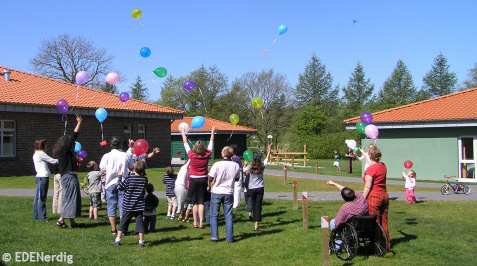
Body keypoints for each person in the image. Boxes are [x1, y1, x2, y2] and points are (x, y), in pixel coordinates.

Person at [179, 126, 216, 229]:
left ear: (195, 148)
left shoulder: (191, 155)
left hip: (194, 180)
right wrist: (212, 132)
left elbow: (185, 144)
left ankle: (195, 222)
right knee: (201, 201)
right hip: (203, 179)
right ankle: (201, 223)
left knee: (194, 202)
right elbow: (211, 143)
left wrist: (183, 133)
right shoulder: (207, 154)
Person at [52, 115, 83, 229]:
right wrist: (78, 123)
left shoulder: (63, 153)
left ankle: (73, 222)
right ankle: (61, 220)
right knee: (70, 198)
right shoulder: (65, 150)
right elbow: (74, 137)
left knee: (70, 198)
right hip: (69, 178)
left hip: (66, 177)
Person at [111, 161, 148, 247]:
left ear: (134, 168)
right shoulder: (144, 179)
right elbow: (143, 186)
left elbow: (120, 187)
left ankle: (118, 240)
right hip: (139, 205)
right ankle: (141, 242)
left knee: (123, 222)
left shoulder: (129, 178)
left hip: (128, 205)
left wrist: (120, 177)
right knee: (140, 223)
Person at [208, 146, 241, 242]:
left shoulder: (217, 164)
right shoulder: (235, 165)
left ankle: (214, 236)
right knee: (228, 215)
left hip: (217, 191)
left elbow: (210, 177)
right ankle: (229, 237)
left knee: (214, 215)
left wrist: (210, 185)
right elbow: (237, 178)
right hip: (228, 192)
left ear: (223, 153)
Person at [100, 136, 130, 235]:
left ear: (111, 145)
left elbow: (102, 169)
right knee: (123, 206)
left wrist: (109, 170)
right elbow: (131, 167)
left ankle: (113, 229)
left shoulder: (106, 156)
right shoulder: (125, 155)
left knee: (111, 206)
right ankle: (122, 229)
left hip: (110, 182)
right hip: (123, 181)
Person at [363, 147, 390, 249]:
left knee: (375, 221)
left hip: (374, 197)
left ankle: (376, 244)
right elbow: (374, 165)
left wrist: (362, 198)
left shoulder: (370, 170)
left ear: (370, 156)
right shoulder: (383, 166)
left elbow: (368, 186)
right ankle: (386, 243)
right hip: (384, 195)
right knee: (384, 220)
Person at [243, 144, 272, 230]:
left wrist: (245, 164)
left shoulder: (250, 167)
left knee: (253, 203)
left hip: (251, 188)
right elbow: (267, 158)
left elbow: (244, 170)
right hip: (260, 188)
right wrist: (269, 149)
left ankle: (252, 217)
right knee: (258, 205)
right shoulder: (262, 166)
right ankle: (257, 223)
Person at [32, 139, 58, 221]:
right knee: (42, 197)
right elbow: (52, 161)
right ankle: (42, 217)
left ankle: (36, 216)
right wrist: (63, 160)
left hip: (39, 177)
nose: (46, 146)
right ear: (42, 145)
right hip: (42, 177)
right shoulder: (41, 153)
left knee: (37, 197)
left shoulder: (36, 153)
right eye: (45, 145)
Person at [230, 144, 243, 209]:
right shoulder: (237, 158)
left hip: (231, 174)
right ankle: (236, 204)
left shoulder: (230, 158)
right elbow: (240, 168)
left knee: (232, 188)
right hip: (238, 173)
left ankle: (231, 203)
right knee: (237, 189)